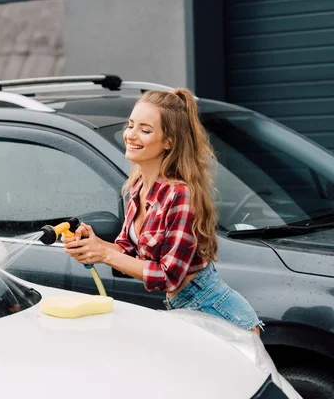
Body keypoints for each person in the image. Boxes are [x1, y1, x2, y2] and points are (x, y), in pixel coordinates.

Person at [62, 88, 264, 335]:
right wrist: (92, 247)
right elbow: (127, 251)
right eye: (131, 125)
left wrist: (105, 254)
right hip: (183, 307)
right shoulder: (138, 188)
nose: (131, 135)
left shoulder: (180, 194)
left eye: (145, 130)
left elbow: (168, 277)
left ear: (169, 141)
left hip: (218, 313)